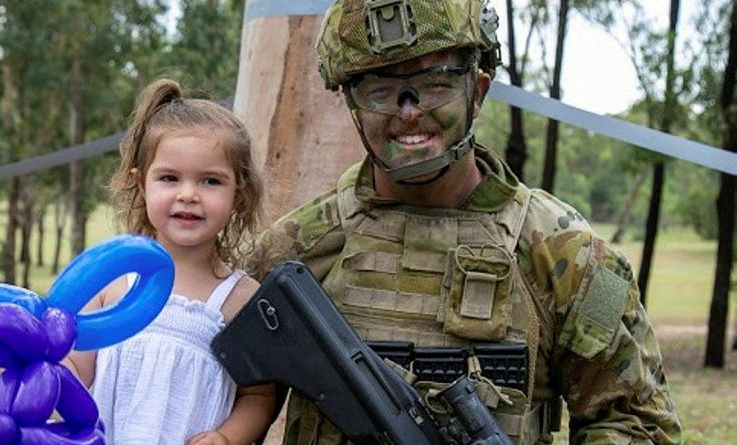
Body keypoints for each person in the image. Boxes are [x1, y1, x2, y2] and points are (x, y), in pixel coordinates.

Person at [246, 0, 683, 444]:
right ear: (353, 106)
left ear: (478, 89)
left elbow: (637, 423)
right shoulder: (292, 251)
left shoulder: (573, 256)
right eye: (380, 90)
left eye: (435, 84)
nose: (409, 111)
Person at [0, 78, 275, 445]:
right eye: (169, 178)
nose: (188, 195)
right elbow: (75, 367)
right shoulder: (110, 282)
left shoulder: (241, 298)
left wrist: (226, 437)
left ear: (240, 191)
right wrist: (22, 356)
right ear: (142, 185)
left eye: (211, 181)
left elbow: (258, 395)